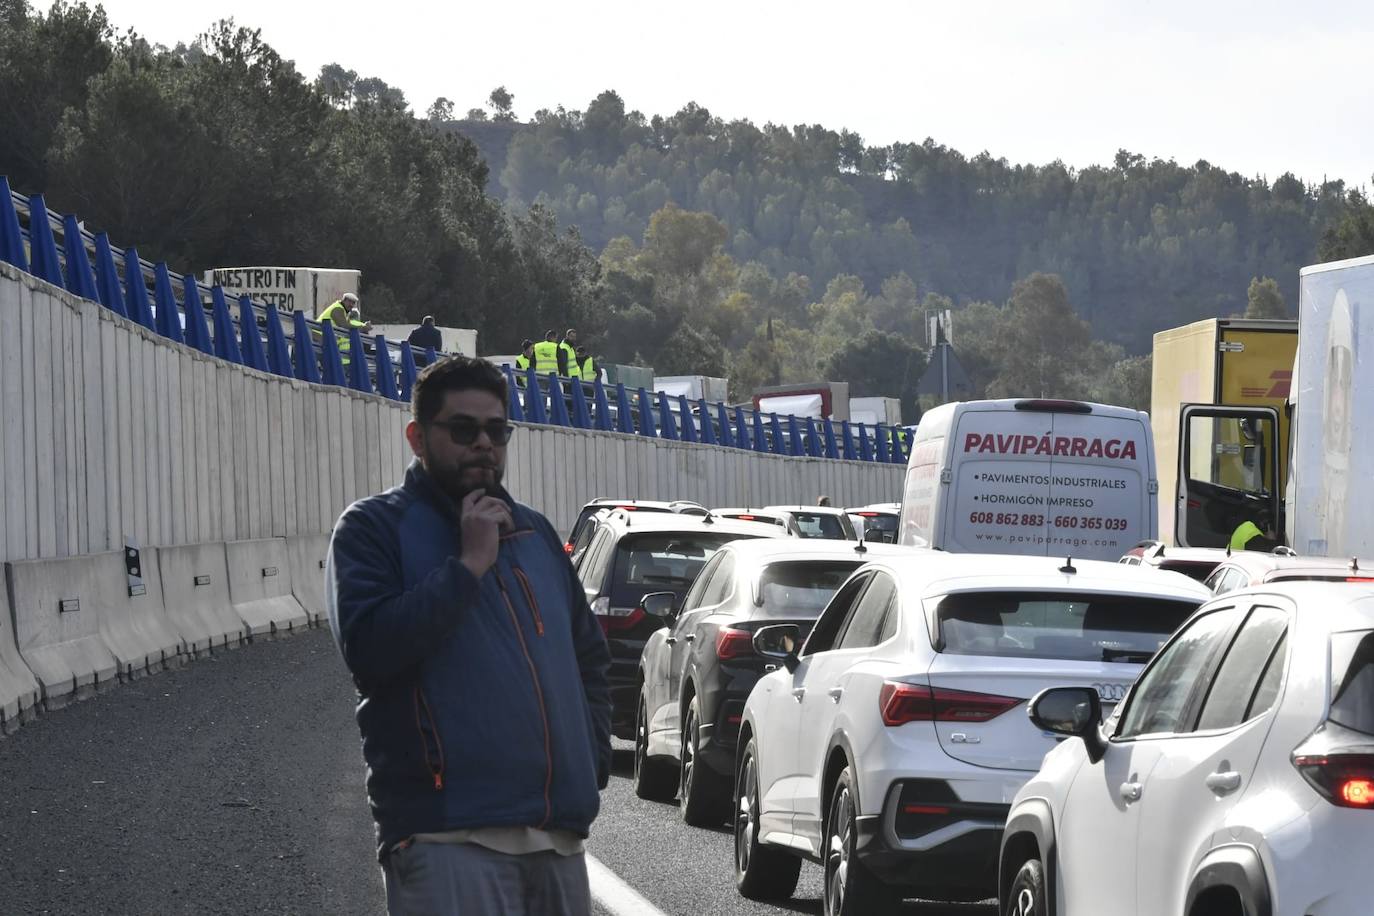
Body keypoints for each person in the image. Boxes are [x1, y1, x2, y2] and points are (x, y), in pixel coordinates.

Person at [326, 355, 612, 916]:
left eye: (496, 430)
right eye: (463, 429)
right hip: (445, 838)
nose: (483, 443)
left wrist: (591, 758)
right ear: (418, 437)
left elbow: (589, 660)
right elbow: (371, 649)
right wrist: (468, 566)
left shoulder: (535, 533)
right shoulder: (373, 528)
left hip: (557, 841)